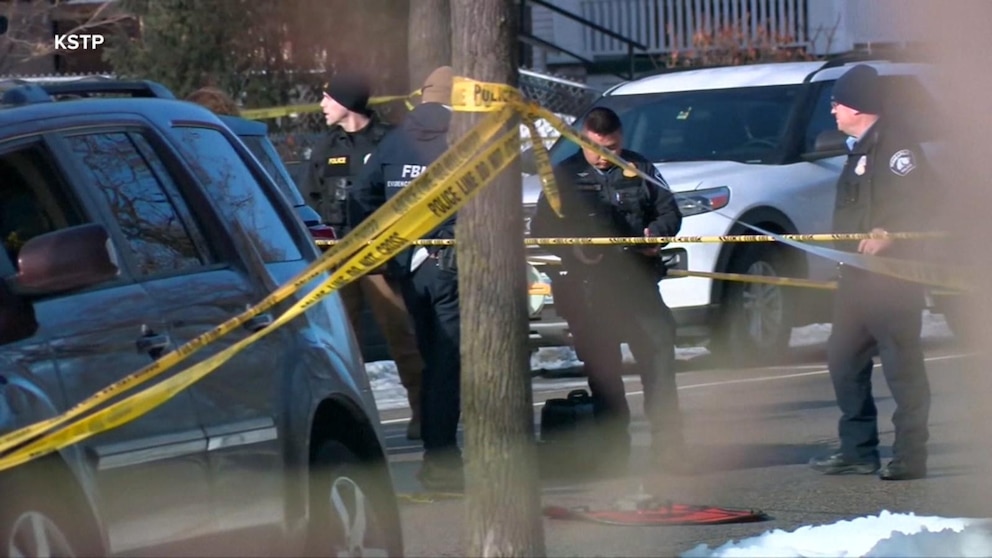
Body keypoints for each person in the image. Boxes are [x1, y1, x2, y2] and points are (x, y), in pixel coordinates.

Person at [531, 107, 685, 473]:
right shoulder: (564, 176)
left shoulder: (640, 168)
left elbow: (669, 213)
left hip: (637, 284)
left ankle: (669, 452)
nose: (603, 156)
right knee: (604, 376)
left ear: (622, 140)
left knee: (659, 363)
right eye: (595, 148)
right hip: (589, 290)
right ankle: (615, 456)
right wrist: (574, 249)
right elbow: (542, 228)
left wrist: (656, 235)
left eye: (611, 148)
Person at [809, 64, 934, 481]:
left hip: (891, 280)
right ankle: (858, 450)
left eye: (836, 103)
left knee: (902, 369)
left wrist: (892, 233)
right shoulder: (858, 149)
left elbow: (924, 201)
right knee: (843, 361)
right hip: (856, 279)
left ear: (858, 106)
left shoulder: (897, 147)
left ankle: (910, 455)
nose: (832, 111)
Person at [353, 66, 463, 490]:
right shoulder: (463, 136)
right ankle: (443, 459)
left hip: (408, 268)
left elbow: (362, 195)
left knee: (432, 358)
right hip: (450, 262)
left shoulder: (395, 138)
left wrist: (385, 250)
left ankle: (437, 456)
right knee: (448, 364)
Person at [302, 71, 426, 441]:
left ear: (347, 102)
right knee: (342, 344)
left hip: (380, 255)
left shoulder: (390, 142)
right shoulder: (325, 147)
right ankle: (351, 426)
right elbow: (310, 201)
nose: (322, 105)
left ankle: (424, 414)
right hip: (336, 256)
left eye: (328, 98)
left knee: (402, 336)